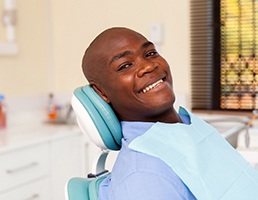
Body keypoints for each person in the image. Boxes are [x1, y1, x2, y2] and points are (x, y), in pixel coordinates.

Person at [81, 27, 258, 200]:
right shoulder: (144, 176)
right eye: (125, 66)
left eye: (150, 53)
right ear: (101, 92)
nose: (148, 66)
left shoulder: (188, 124)